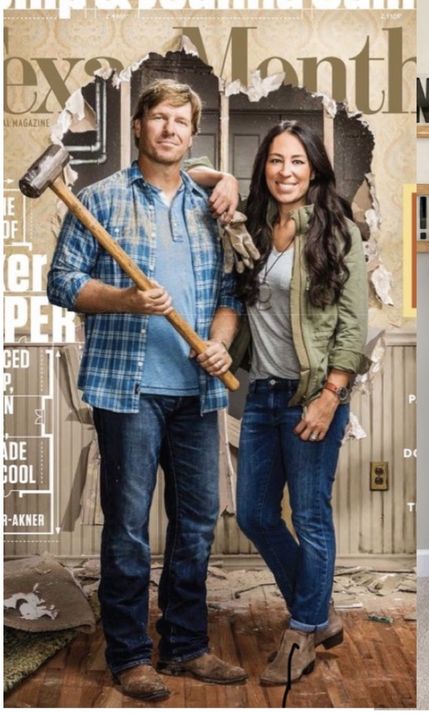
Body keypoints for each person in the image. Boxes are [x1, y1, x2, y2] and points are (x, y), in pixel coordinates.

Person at [47, 79, 247, 701]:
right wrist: (126, 299)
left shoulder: (210, 207)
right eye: (158, 118)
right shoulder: (98, 200)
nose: (169, 130)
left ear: (193, 134)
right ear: (138, 126)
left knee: (194, 525)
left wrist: (218, 341)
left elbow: (229, 298)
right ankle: (131, 655)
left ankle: (187, 645)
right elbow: (61, 283)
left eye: (181, 122)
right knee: (128, 527)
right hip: (126, 389)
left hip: (196, 390)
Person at [228, 120, 369, 685]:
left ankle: (303, 627)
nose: (285, 172)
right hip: (262, 392)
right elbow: (193, 176)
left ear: (314, 170)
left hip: (313, 396)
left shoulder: (338, 231)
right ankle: (320, 613)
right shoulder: (252, 228)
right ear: (263, 167)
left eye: (297, 162)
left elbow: (353, 327)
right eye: (274, 161)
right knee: (256, 514)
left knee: (311, 516)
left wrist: (331, 397)